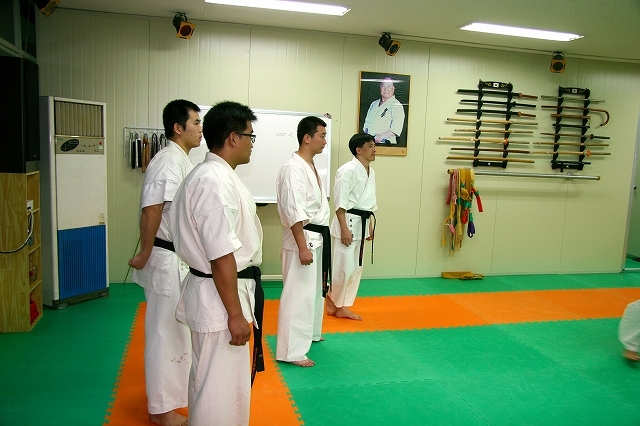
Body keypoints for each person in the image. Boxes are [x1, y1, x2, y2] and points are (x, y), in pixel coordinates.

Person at [168, 101, 263, 426]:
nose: (252, 143)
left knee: (218, 385)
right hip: (220, 300)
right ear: (233, 137)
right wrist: (235, 315)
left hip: (217, 293)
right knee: (216, 390)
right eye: (250, 136)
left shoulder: (214, 175)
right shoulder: (213, 181)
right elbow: (221, 254)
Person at [128, 99, 202, 426]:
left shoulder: (181, 160)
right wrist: (144, 252)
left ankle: (171, 399)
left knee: (176, 332)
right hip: (164, 257)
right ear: (177, 127)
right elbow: (151, 209)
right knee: (164, 333)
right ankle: (159, 411)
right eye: (195, 122)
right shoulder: (167, 161)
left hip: (177, 258)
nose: (200, 128)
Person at [276, 116, 330, 368]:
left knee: (313, 293)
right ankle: (291, 351)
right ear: (307, 138)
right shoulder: (293, 168)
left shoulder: (309, 165)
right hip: (303, 238)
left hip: (315, 237)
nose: (325, 141)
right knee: (298, 295)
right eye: (322, 135)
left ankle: (309, 334)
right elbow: (293, 209)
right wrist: (301, 246)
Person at [326, 133, 377, 321]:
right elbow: (340, 202)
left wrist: (369, 225)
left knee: (355, 268)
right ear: (359, 150)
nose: (374, 149)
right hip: (347, 221)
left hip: (362, 221)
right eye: (370, 146)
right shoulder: (346, 170)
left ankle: (339, 302)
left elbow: (369, 202)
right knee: (343, 267)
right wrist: (344, 228)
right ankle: (336, 303)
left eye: (374, 145)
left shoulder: (371, 172)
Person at [363, 76, 405, 145]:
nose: (386, 89)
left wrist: (381, 136)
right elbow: (366, 124)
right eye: (383, 86)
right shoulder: (374, 104)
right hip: (370, 142)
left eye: (389, 86)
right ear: (380, 87)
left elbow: (396, 130)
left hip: (386, 143)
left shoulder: (396, 105)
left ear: (393, 88)